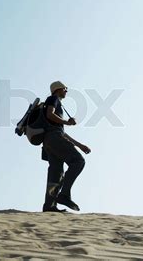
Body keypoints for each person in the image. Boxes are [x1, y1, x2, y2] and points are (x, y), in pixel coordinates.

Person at [42, 81, 91, 212]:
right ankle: (64, 195)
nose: (66, 91)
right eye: (65, 88)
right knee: (78, 161)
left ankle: (49, 206)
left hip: (49, 142)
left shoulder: (54, 102)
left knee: (56, 174)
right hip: (54, 138)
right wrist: (66, 122)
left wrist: (79, 145)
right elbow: (50, 114)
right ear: (58, 89)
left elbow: (61, 132)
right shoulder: (53, 99)